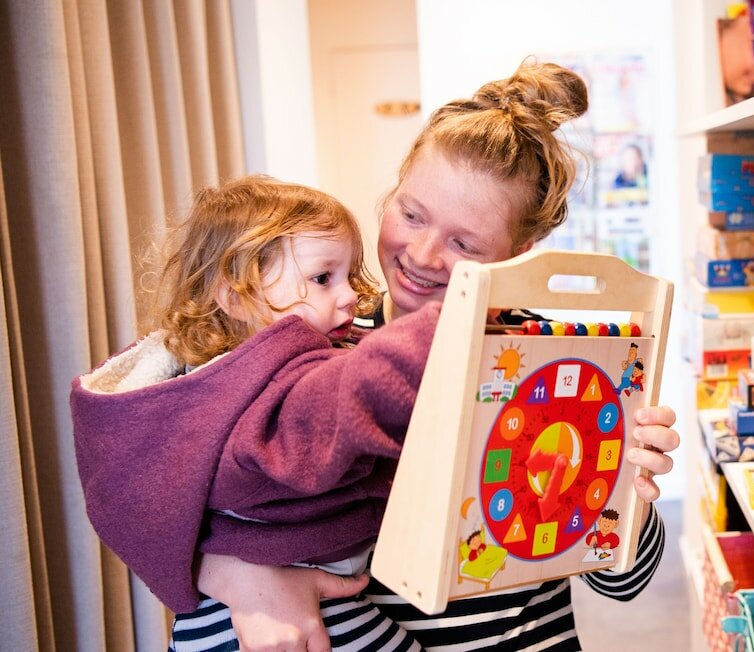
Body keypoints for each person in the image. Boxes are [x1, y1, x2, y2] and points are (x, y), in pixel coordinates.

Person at [195, 60, 681, 652]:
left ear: (520, 252)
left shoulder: (554, 360)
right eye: (411, 214)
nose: (422, 255)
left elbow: (623, 581)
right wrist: (236, 573)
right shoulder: (314, 344)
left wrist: (626, 481)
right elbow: (181, 496)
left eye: (463, 242)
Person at [69, 175, 442, 651]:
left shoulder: (204, 384)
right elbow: (334, 399)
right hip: (305, 610)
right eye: (323, 278)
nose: (349, 295)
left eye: (349, 275)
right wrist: (433, 338)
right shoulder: (280, 384)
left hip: (222, 615)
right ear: (237, 297)